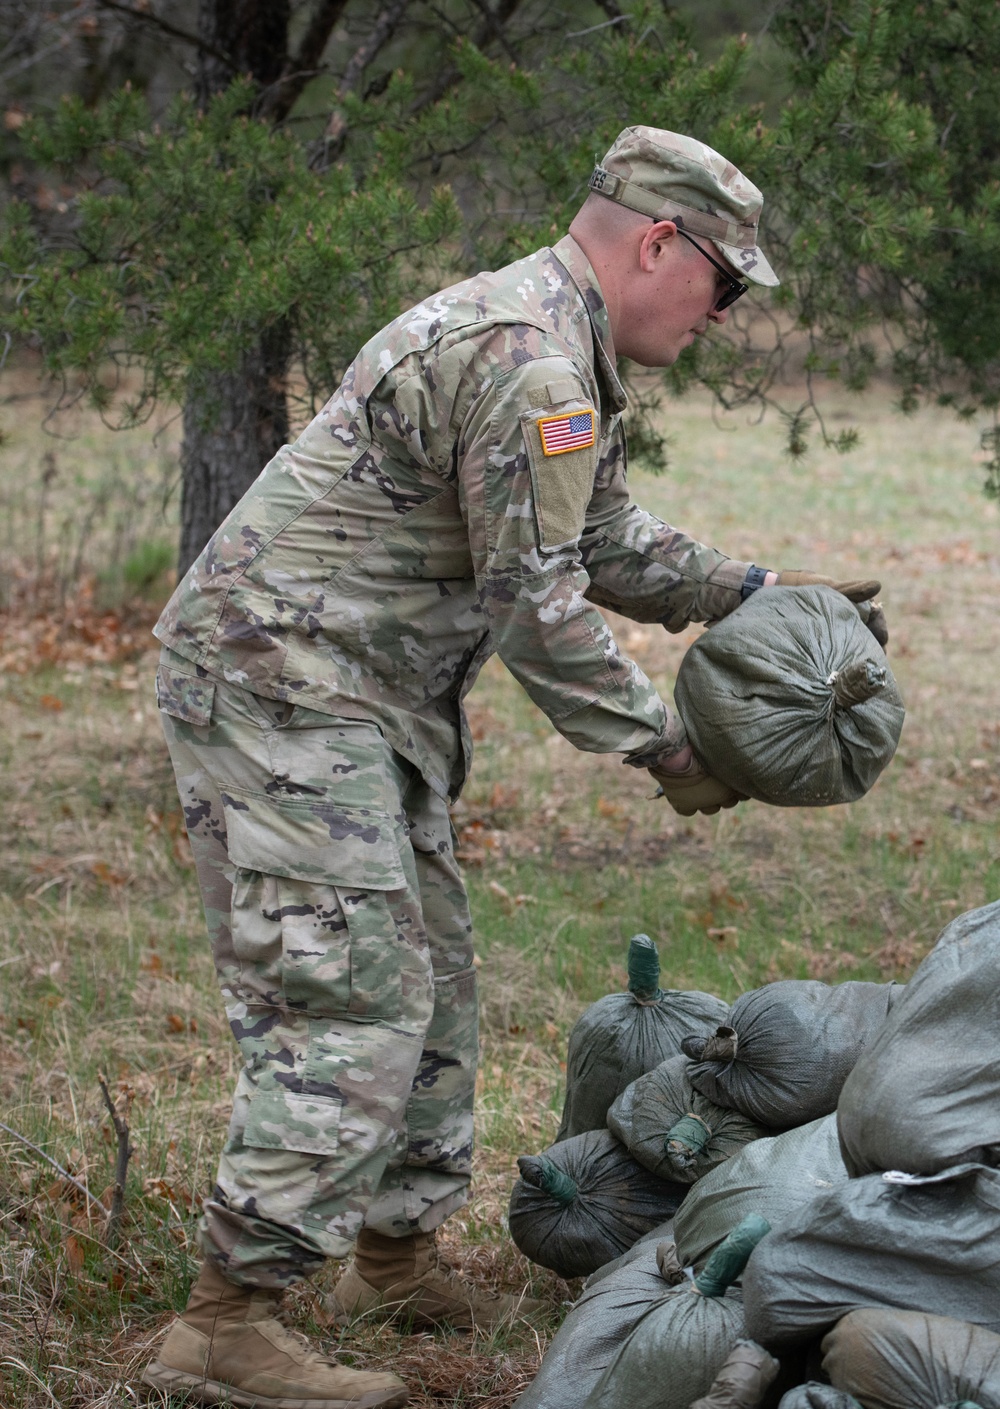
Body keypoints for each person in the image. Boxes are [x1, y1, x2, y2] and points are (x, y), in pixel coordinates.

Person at [142, 126, 885, 1407]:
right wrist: (668, 746)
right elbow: (537, 603)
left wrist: (756, 592)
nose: (724, 311)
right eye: (725, 279)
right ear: (660, 242)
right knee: (353, 991)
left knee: (432, 975)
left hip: (362, 697)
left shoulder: (554, 343)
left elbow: (597, 531)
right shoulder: (532, 360)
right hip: (281, 689)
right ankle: (226, 1318)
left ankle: (392, 1252)